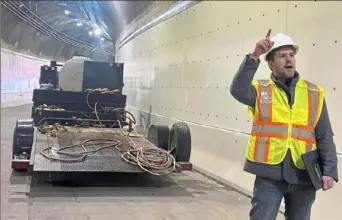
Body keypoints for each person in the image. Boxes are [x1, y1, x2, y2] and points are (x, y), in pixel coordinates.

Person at [230, 29, 339, 220]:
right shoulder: (260, 90)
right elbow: (238, 89)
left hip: (304, 173)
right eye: (282, 56)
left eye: (291, 55)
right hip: (269, 174)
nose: (289, 60)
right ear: (271, 64)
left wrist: (330, 170)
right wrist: (255, 55)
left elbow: (324, 134)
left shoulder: (313, 92)